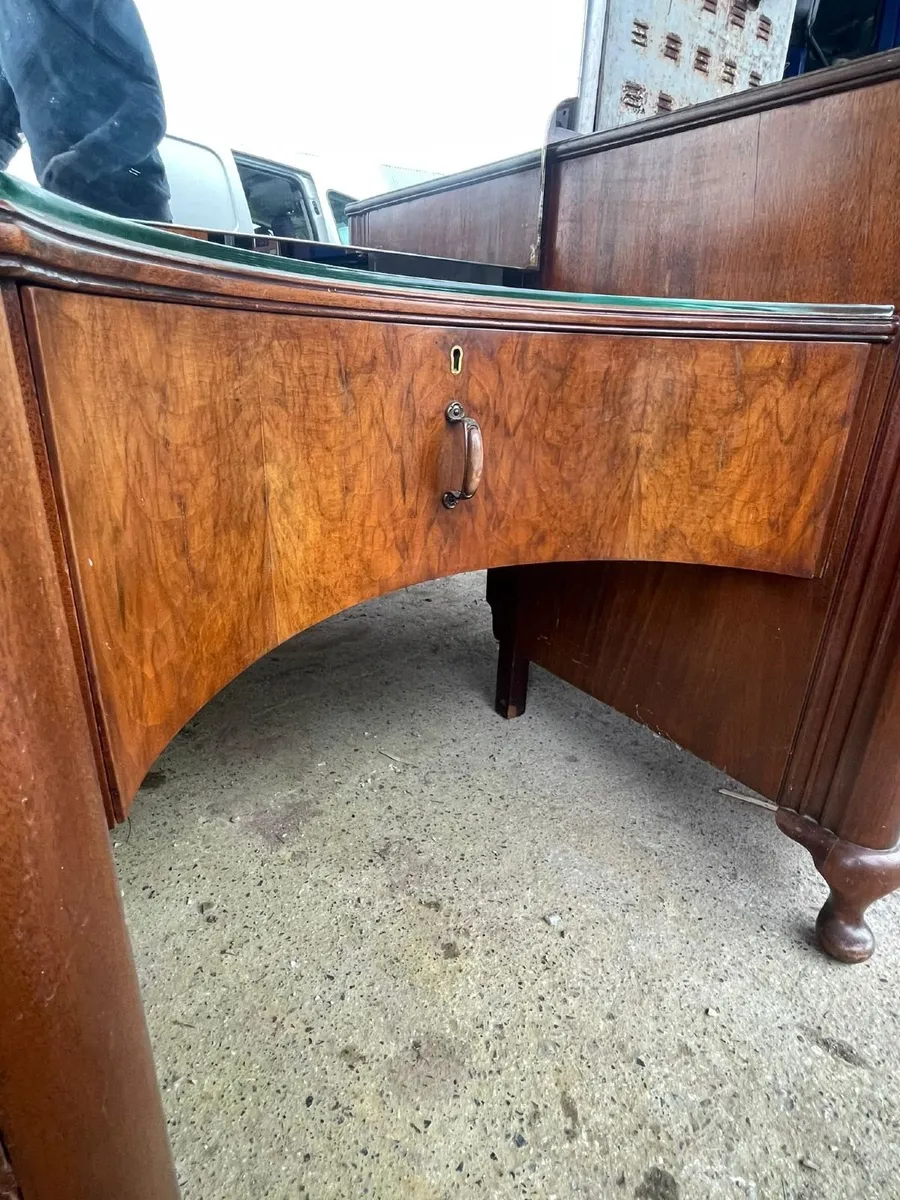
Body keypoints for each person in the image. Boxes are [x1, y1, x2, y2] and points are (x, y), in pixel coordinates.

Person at [0, 0, 171, 221]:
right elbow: (4, 125)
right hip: (59, 214)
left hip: (132, 218)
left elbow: (149, 111)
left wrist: (83, 162)